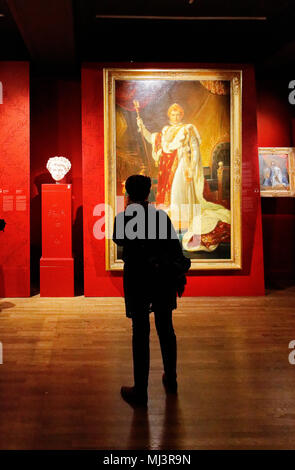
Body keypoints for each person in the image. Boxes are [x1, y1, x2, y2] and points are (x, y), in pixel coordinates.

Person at [113, 174, 191, 407]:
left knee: (140, 333)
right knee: (166, 328)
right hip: (162, 279)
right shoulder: (160, 217)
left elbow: (119, 240)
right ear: (148, 193)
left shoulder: (123, 218)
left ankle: (141, 390)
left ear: (128, 193)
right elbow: (173, 247)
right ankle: (171, 378)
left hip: (137, 280)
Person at [136, 103, 231, 252]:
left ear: (182, 115)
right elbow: (154, 140)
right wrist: (142, 127)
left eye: (178, 114)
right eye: (173, 114)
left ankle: (183, 225)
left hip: (182, 165)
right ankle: (172, 227)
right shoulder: (165, 130)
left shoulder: (188, 129)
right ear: (169, 116)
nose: (176, 117)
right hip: (166, 169)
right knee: (170, 198)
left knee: (177, 194)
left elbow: (195, 151)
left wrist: (191, 169)